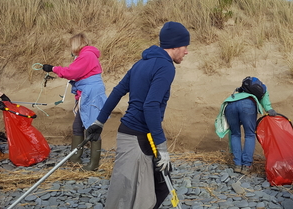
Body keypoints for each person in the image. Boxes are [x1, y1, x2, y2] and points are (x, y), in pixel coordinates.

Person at [85, 21, 190, 209]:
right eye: (185, 46)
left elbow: (117, 92)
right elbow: (150, 106)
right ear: (175, 45)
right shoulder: (166, 67)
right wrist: (162, 147)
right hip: (138, 137)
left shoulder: (141, 63)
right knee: (133, 193)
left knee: (157, 185)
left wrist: (99, 122)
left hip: (132, 134)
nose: (186, 52)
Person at [42, 33, 107, 171]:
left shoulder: (87, 55)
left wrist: (53, 68)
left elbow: (72, 72)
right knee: (78, 126)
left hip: (91, 95)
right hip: (86, 93)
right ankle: (75, 159)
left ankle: (93, 165)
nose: (70, 48)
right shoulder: (86, 55)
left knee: (91, 127)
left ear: (77, 44)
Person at [217, 76, 278, 175]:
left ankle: (237, 164)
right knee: (249, 134)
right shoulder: (262, 89)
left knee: (234, 134)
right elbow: (265, 98)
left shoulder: (239, 92)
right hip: (247, 105)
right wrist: (269, 109)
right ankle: (246, 165)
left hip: (229, 104)